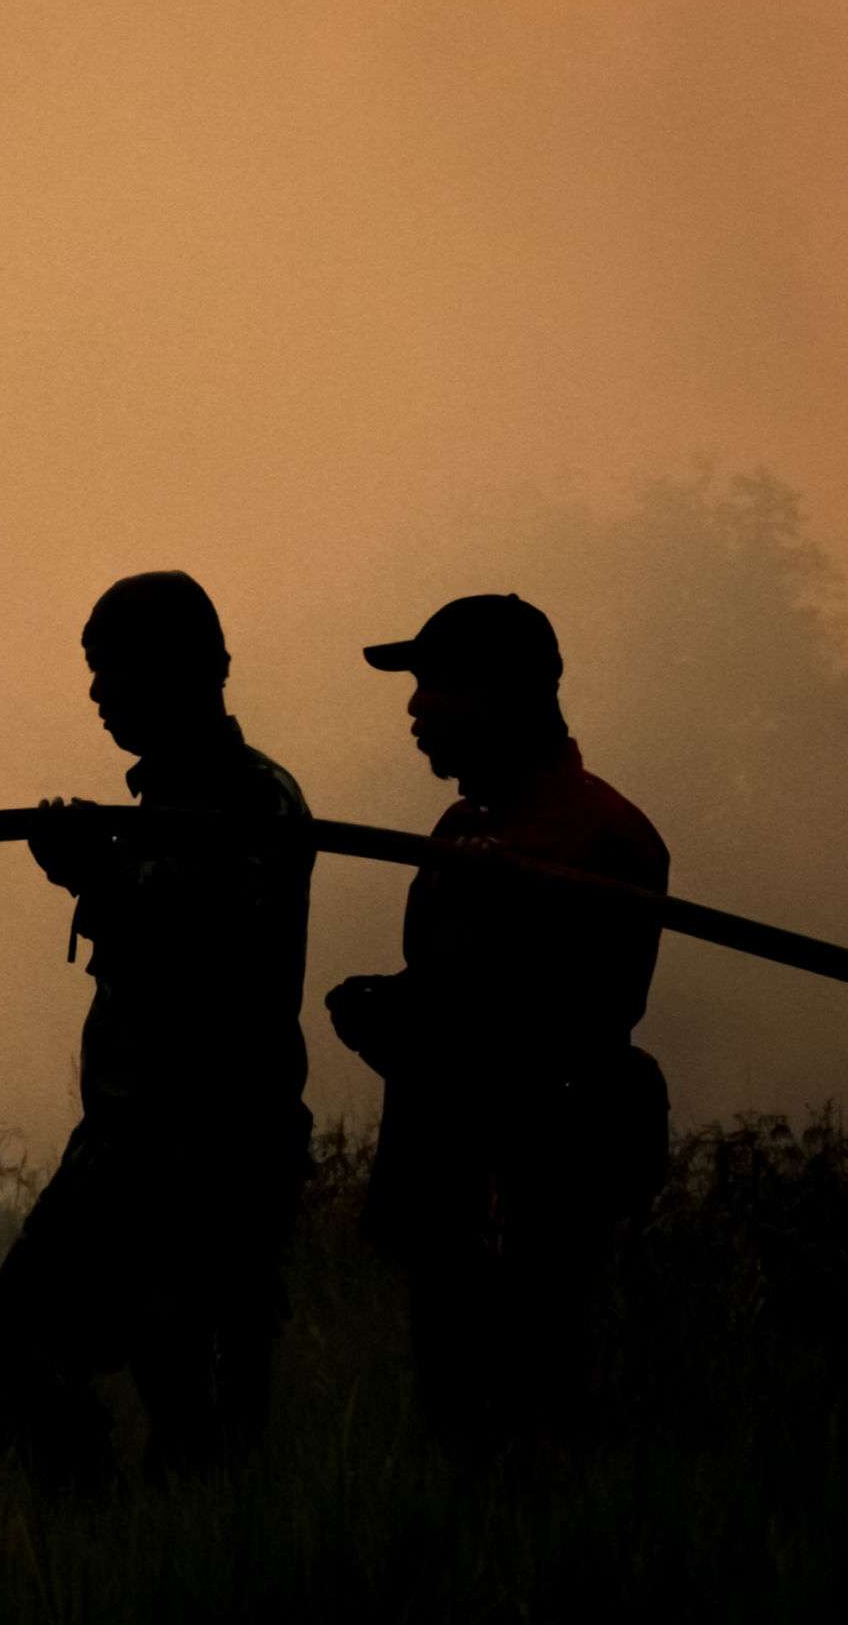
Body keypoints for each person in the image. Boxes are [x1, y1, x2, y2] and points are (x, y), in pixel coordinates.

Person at [0, 571, 314, 1481]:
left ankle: (173, 1560)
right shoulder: (155, 811)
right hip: (121, 1153)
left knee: (203, 1428)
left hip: (217, 1159)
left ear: (190, 671)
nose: (97, 693)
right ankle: (99, 1536)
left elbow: (217, 951)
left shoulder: (259, 803)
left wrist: (96, 876)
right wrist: (103, 860)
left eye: (114, 669)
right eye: (94, 669)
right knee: (5, 1374)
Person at [327, 594, 668, 1440]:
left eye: (435, 685)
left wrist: (509, 915)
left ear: (502, 695)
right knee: (458, 1435)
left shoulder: (605, 837)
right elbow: (447, 1002)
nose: (414, 708)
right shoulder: (460, 827)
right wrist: (387, 1010)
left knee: (540, 1427)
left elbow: (582, 1023)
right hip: (451, 1206)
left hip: (538, 1210)